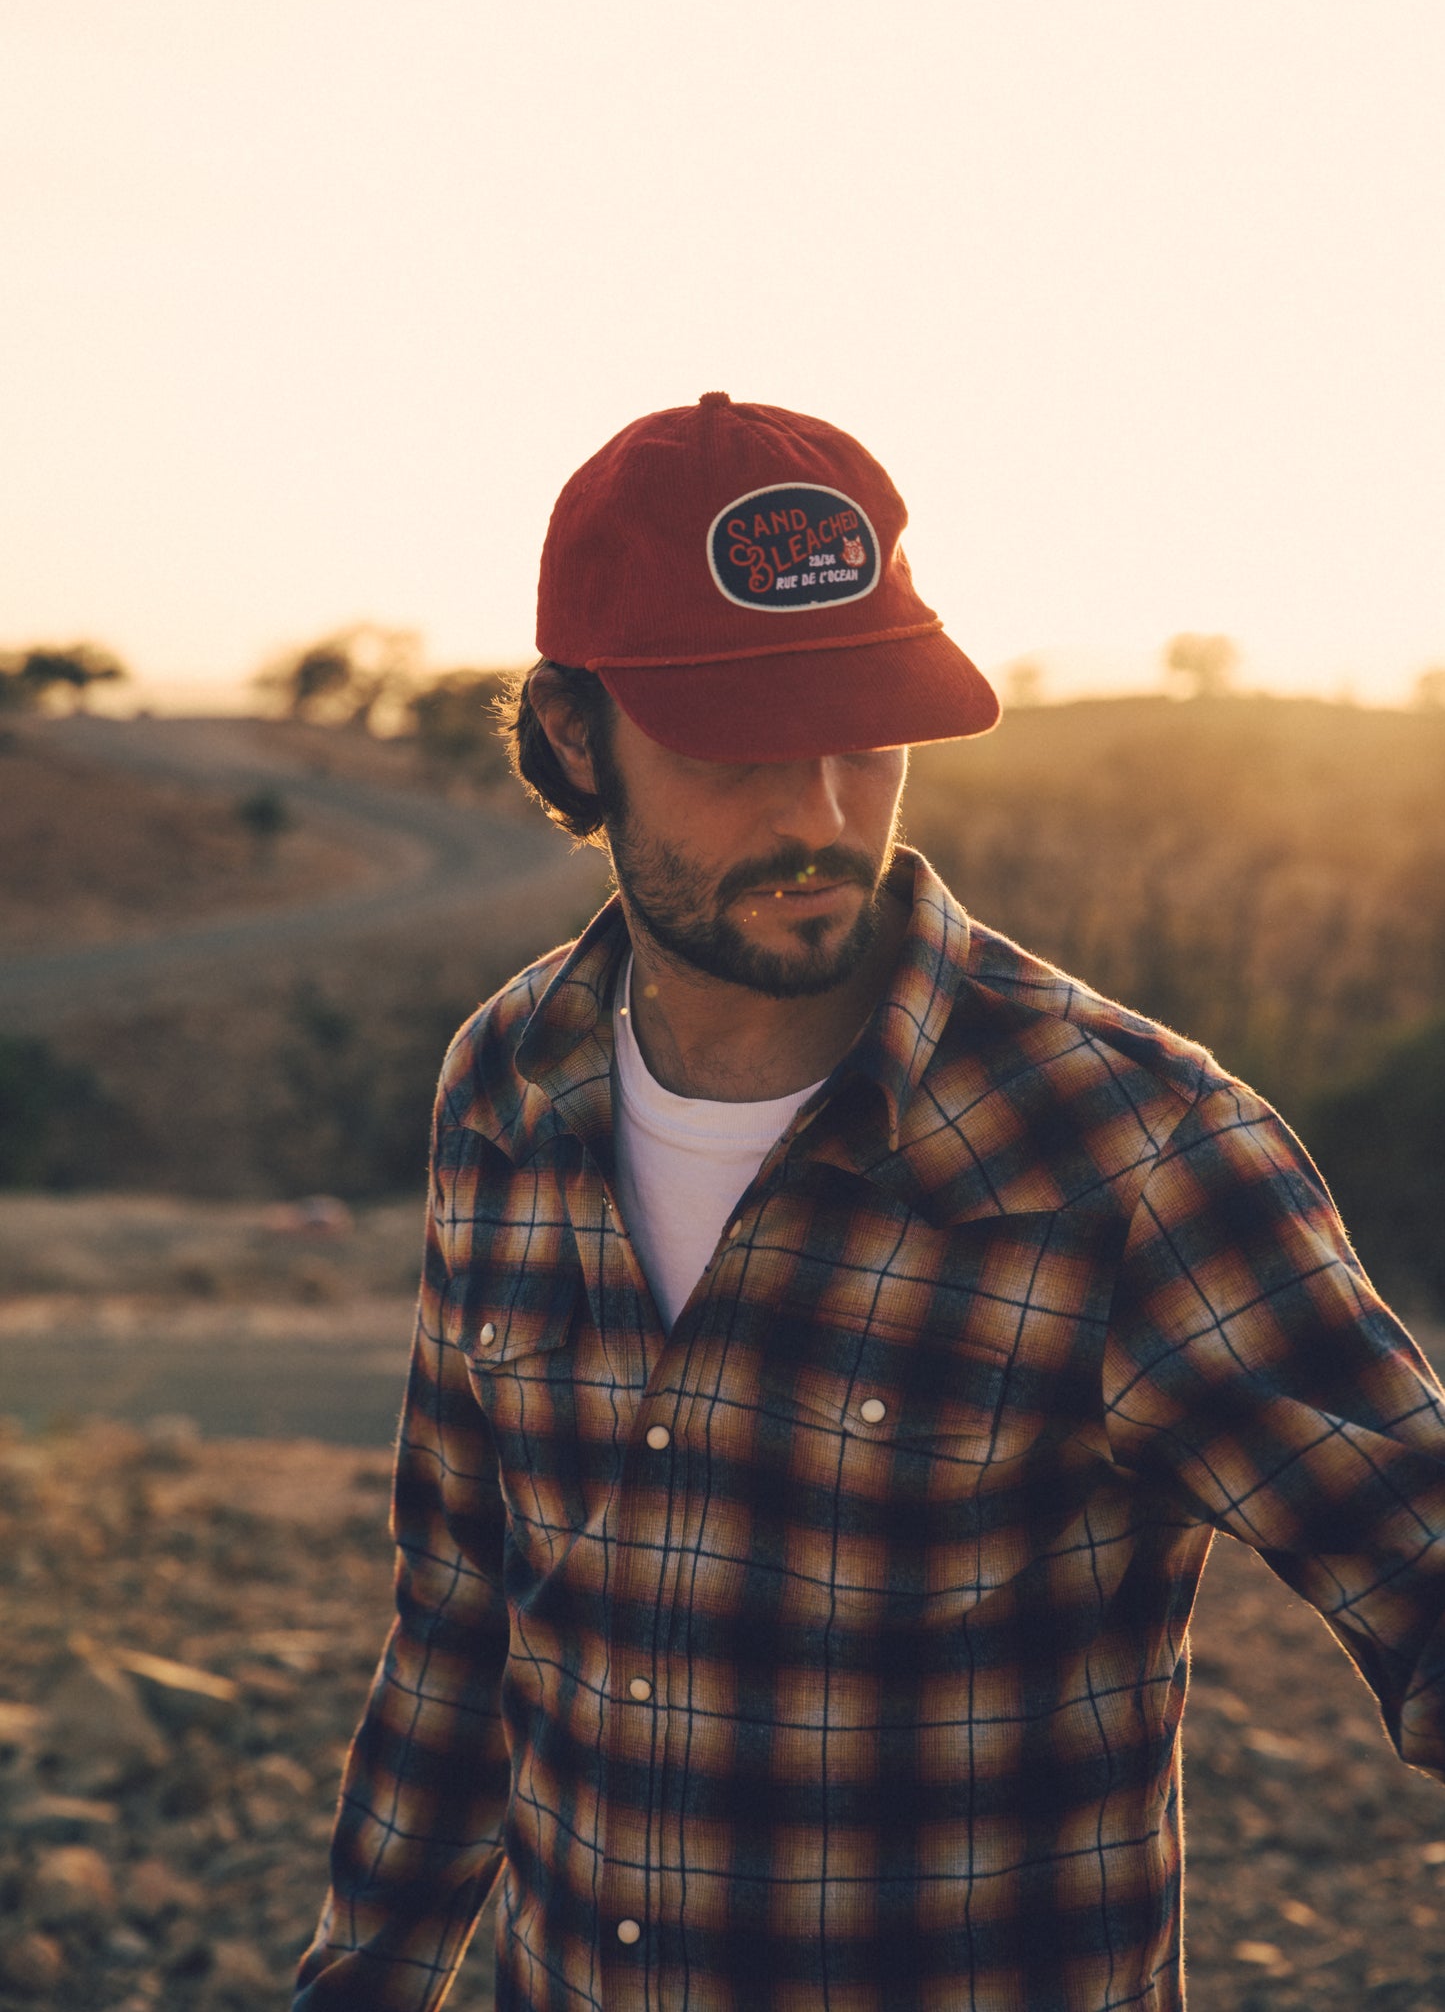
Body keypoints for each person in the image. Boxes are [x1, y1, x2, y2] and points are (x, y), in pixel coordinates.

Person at [295, 393, 1445, 2012]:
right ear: (571, 736)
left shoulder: (1129, 1147)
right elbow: (458, 1619)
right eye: (735, 748)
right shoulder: (507, 1084)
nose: (818, 813)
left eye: (860, 733)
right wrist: (363, 1975)